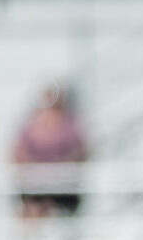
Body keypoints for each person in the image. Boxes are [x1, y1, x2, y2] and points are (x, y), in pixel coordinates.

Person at [11, 81, 88, 218]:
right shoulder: (31, 126)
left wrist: (59, 169)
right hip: (35, 183)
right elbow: (18, 153)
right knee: (32, 205)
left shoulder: (69, 125)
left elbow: (81, 151)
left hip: (64, 183)